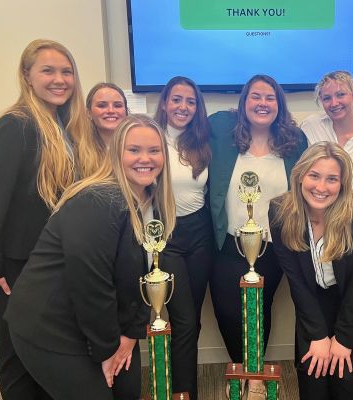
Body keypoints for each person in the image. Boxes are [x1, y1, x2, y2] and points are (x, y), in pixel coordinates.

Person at [4, 114, 176, 400]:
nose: (145, 158)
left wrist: (130, 335)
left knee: (128, 390)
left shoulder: (151, 203)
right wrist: (107, 348)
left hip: (99, 322)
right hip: (51, 326)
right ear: (115, 153)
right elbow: (90, 282)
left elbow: (138, 278)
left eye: (154, 150)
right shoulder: (98, 199)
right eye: (133, 150)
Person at [0, 38, 101, 399]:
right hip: (16, 269)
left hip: (54, 263)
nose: (60, 79)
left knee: (49, 358)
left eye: (67, 71)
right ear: (27, 76)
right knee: (17, 358)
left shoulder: (69, 128)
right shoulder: (15, 125)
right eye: (48, 70)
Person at [208, 74, 307, 399]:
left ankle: (256, 377)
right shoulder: (223, 136)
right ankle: (241, 366)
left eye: (269, 98)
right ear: (243, 103)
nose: (262, 103)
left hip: (273, 247)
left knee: (258, 308)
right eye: (255, 97)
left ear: (279, 105)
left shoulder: (294, 143)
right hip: (229, 243)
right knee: (226, 310)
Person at [269, 142, 353, 399]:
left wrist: (342, 338)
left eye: (332, 179)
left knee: (344, 375)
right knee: (312, 372)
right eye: (314, 175)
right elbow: (296, 281)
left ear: (343, 183)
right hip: (314, 301)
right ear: (300, 176)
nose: (321, 187)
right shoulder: (280, 212)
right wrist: (318, 335)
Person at [154, 76, 213, 399]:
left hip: (201, 232)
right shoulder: (151, 137)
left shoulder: (201, 141)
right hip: (167, 234)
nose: (183, 107)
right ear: (164, 103)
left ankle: (183, 385)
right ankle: (182, 391)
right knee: (184, 319)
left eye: (190, 102)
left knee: (192, 318)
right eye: (177, 100)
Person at [301, 71, 353, 191]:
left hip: (351, 207)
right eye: (327, 98)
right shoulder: (310, 126)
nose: (334, 103)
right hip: (313, 204)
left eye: (340, 95)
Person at [86, 82, 129, 149]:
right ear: (89, 113)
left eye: (117, 106)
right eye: (102, 106)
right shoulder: (76, 151)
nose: (111, 111)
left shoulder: (139, 145)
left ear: (126, 111)